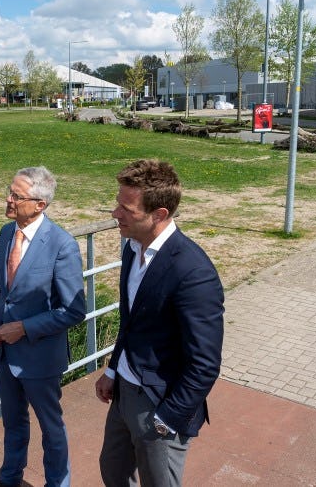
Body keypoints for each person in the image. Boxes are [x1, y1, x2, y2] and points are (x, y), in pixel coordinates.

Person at [95, 159, 224, 486]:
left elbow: (205, 363)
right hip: (124, 391)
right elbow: (130, 321)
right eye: (117, 203)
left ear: (159, 214)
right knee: (112, 470)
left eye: (126, 209)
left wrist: (168, 418)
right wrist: (113, 370)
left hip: (159, 402)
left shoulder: (193, 272)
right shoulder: (131, 248)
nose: (115, 214)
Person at [0, 166, 87, 487]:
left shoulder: (62, 245)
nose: (8, 199)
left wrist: (24, 328)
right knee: (13, 423)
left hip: (40, 357)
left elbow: (74, 310)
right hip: (5, 353)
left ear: (40, 205)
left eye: (17, 196)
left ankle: (57, 483)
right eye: (9, 191)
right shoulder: (6, 234)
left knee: (50, 428)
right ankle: (10, 478)